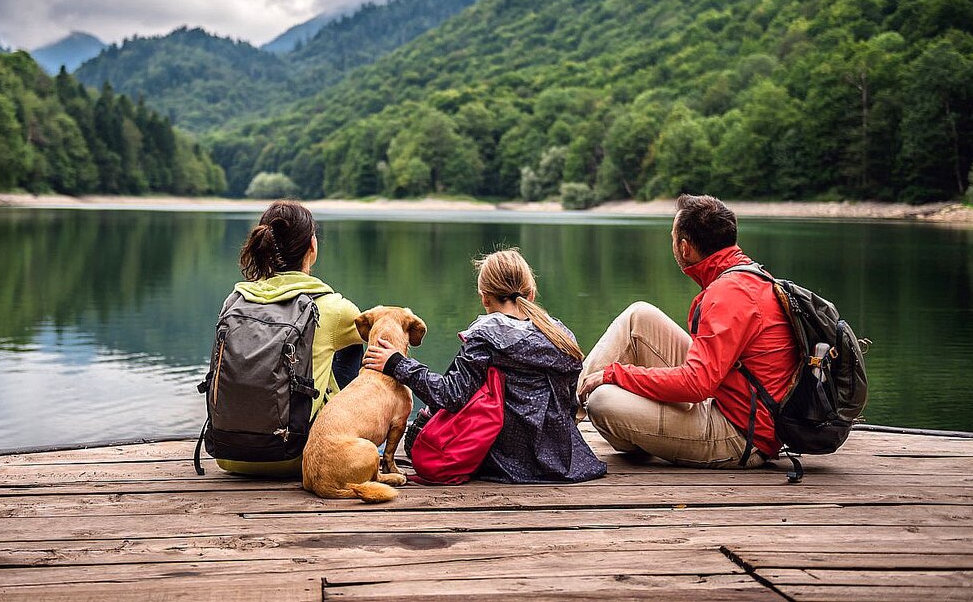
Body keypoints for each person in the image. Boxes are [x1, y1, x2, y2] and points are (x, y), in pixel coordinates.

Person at [578, 194, 800, 468]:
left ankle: (561, 419)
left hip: (741, 435)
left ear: (684, 248)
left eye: (672, 237)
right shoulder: (745, 276)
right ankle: (565, 412)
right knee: (640, 316)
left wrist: (616, 374)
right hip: (728, 396)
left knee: (602, 401)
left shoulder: (728, 294)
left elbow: (696, 385)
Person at [363, 248, 607, 483]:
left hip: (506, 459)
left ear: (484, 297)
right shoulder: (561, 335)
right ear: (531, 293)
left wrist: (398, 364)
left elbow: (451, 395)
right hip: (562, 457)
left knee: (419, 432)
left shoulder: (486, 336)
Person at [217, 200, 363, 477]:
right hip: (303, 455)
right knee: (353, 344)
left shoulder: (234, 301)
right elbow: (380, 340)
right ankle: (356, 439)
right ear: (312, 246)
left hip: (228, 454)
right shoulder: (334, 308)